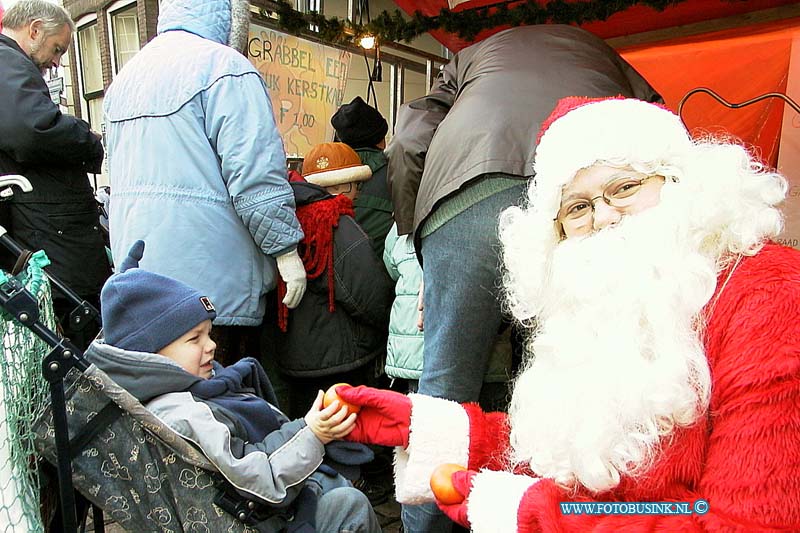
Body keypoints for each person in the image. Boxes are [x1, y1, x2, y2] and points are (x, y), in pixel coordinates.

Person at [335, 96, 800, 531]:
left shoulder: (769, 294)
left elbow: (743, 522)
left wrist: (542, 516)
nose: (602, 218)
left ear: (681, 183)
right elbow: (575, 450)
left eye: (625, 188)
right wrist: (441, 430)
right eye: (577, 207)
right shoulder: (600, 302)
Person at [385, 24, 661, 530]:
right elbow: (662, 133)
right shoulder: (604, 54)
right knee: (568, 393)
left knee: (442, 395)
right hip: (577, 198)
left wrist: (424, 246)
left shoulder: (469, 58)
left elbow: (407, 142)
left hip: (466, 194)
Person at [86, 240, 381, 533]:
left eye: (208, 334)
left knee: (339, 491)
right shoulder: (182, 413)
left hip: (273, 504)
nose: (211, 345)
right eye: (194, 339)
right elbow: (257, 476)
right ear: (150, 354)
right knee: (349, 505)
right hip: (265, 515)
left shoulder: (194, 387)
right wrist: (312, 434)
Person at [103, 0, 306, 366]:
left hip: (145, 284)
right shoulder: (226, 69)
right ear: (232, 18)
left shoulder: (126, 78)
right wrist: (286, 251)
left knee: (164, 408)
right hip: (213, 284)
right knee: (224, 404)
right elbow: (256, 176)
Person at [0, 0, 110, 349]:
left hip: (48, 234)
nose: (57, 61)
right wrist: (88, 141)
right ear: (33, 30)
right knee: (79, 342)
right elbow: (30, 129)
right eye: (57, 48)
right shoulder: (7, 62)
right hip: (53, 236)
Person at [264, 142, 394, 420]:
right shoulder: (337, 222)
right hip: (342, 361)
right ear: (343, 185)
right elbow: (369, 294)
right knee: (347, 446)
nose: (359, 193)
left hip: (292, 358)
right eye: (357, 185)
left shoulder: (284, 219)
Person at [331, 96, 393, 258]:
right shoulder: (398, 172)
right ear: (381, 140)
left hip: (334, 274)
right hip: (387, 276)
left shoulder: (325, 176)